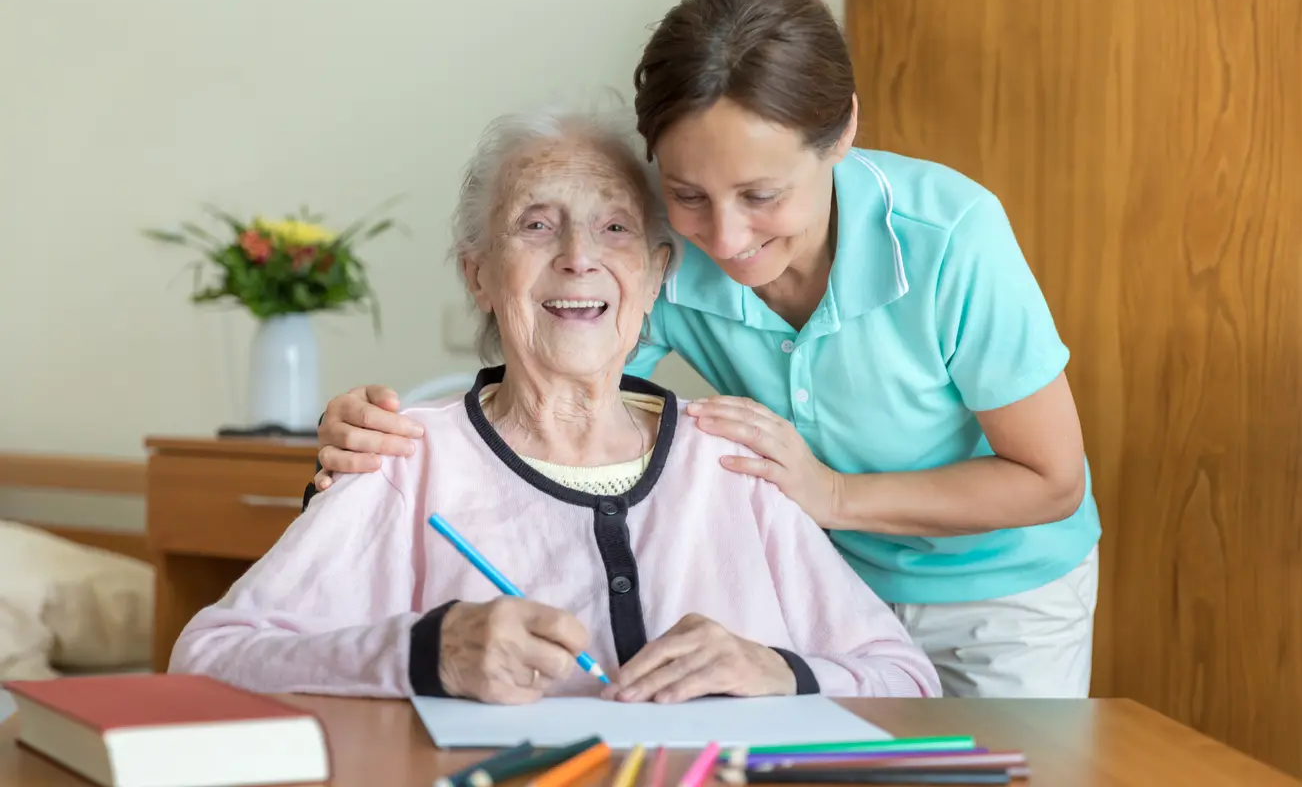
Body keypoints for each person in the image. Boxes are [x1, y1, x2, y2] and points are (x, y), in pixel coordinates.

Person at [308, 0, 1101, 699]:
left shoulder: (948, 237)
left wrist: (833, 496)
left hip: (1000, 589)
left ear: (843, 132)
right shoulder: (659, 253)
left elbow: (1050, 478)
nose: (723, 238)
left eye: (761, 194)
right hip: (829, 584)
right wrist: (400, 439)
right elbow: (567, 395)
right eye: (687, 193)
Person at [168, 110, 941, 704]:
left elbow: (907, 679)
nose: (578, 256)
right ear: (479, 275)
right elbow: (207, 658)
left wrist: (779, 672)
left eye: (614, 228)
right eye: (537, 225)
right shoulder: (402, 459)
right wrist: (422, 653)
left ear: (653, 273)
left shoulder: (733, 459)